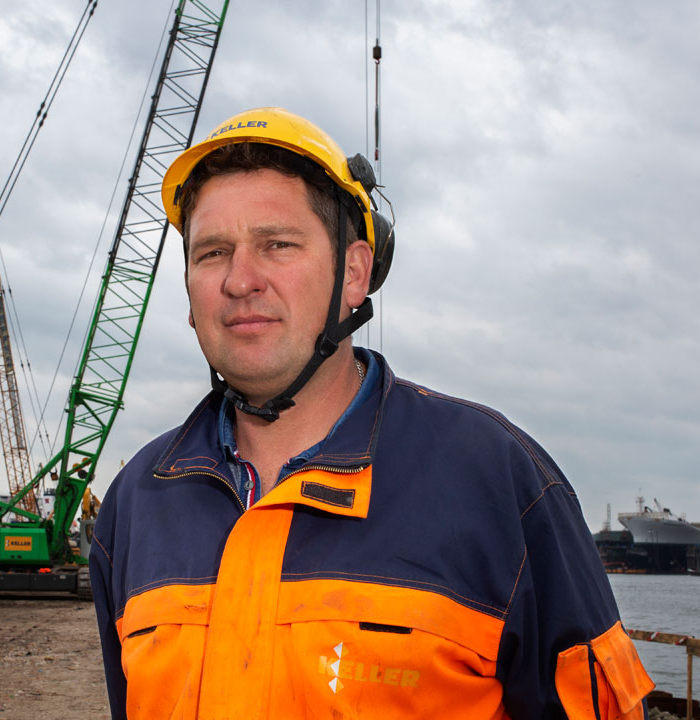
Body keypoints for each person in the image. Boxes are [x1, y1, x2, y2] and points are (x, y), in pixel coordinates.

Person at [89, 107, 653, 719]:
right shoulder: (137, 502)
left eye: (276, 244)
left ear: (355, 272)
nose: (240, 279)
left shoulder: (497, 483)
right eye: (212, 252)